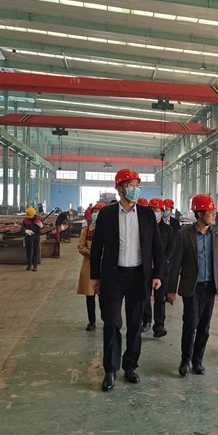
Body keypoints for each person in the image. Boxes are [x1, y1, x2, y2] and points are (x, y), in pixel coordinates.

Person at [89, 168, 165, 392]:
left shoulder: (147, 215)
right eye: (130, 185)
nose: (134, 189)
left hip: (139, 275)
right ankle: (110, 369)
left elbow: (157, 247)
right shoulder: (107, 215)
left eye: (136, 185)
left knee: (135, 323)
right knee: (112, 322)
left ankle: (130, 365)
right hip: (113, 275)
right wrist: (95, 277)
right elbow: (97, 248)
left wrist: (158, 275)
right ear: (119, 189)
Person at [167, 194, 218, 377]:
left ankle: (197, 360)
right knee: (190, 324)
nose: (214, 215)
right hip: (191, 287)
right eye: (210, 212)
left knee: (204, 326)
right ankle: (185, 360)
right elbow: (175, 264)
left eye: (214, 211)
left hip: (210, 286)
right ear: (200, 213)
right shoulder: (184, 234)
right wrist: (171, 290)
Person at [141, 198, 175, 337]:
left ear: (162, 212)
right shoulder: (144, 228)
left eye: (157, 210)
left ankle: (159, 325)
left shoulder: (168, 229)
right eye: (152, 210)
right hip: (146, 268)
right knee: (145, 296)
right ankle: (146, 320)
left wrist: (162, 261)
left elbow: (171, 248)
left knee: (160, 298)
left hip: (162, 270)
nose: (155, 212)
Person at [78, 202, 106, 331]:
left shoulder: (109, 231)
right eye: (95, 212)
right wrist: (93, 254)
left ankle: (106, 319)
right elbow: (80, 246)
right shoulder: (86, 231)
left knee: (103, 295)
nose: (96, 214)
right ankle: (91, 321)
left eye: (99, 212)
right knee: (90, 295)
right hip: (89, 266)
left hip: (104, 266)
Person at [22, 207, 43, 272]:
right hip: (28, 237)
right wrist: (26, 230)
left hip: (36, 236)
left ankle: (35, 266)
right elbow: (22, 227)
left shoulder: (38, 218)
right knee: (28, 252)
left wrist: (41, 226)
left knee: (35, 251)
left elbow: (42, 227)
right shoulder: (25, 220)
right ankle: (29, 265)